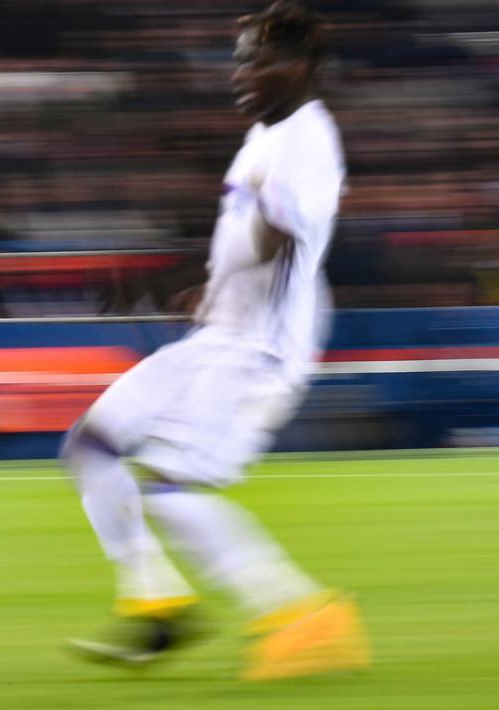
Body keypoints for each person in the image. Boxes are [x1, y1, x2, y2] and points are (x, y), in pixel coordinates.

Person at [62, 2, 370, 680]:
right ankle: (155, 600)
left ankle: (302, 615)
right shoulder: (264, 137)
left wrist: (229, 262)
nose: (241, 73)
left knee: (168, 488)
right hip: (216, 334)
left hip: (258, 351)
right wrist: (189, 284)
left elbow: (281, 233)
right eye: (238, 60)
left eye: (257, 62)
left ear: (303, 68)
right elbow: (245, 240)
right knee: (90, 445)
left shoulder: (308, 138)